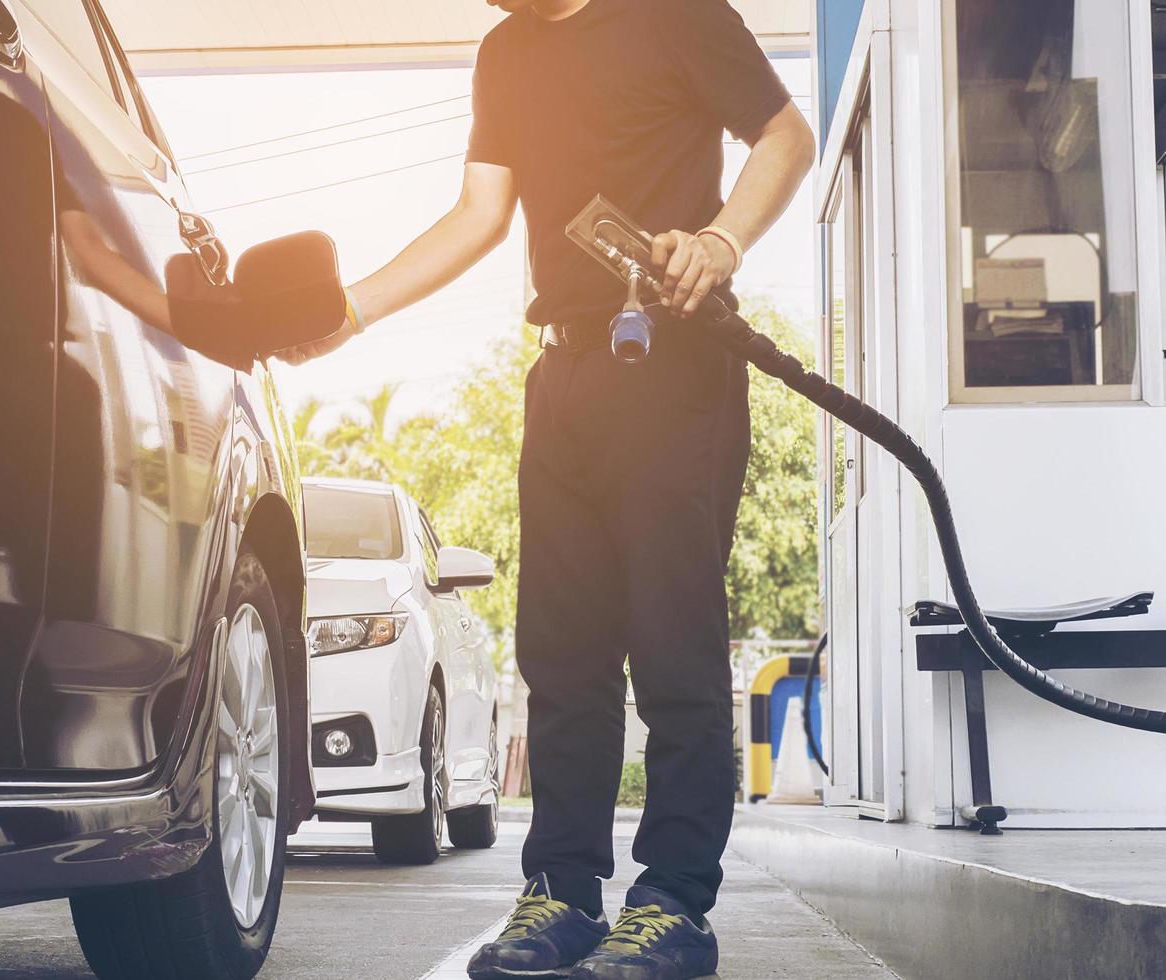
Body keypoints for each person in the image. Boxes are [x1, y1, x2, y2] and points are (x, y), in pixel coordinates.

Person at [280, 1, 814, 977]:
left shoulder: (677, 14)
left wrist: (722, 240)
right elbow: (480, 214)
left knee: (670, 644)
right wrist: (352, 312)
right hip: (563, 372)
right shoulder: (506, 52)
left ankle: (673, 902)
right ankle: (562, 892)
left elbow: (786, 132)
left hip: (676, 361)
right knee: (560, 655)